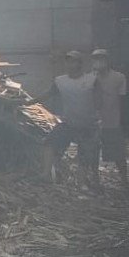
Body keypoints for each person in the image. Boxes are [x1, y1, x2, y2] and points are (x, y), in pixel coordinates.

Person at [47, 51, 98, 187]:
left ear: (80, 64)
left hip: (88, 125)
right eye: (68, 61)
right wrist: (25, 102)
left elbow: (101, 98)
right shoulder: (60, 81)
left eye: (74, 61)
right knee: (50, 144)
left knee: (85, 156)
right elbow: (47, 94)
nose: (70, 64)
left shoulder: (91, 79)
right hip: (68, 123)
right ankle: (49, 174)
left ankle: (83, 182)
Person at [90, 49, 129, 190]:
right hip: (94, 121)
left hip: (113, 120)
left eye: (101, 59)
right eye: (96, 59)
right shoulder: (89, 78)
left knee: (118, 153)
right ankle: (95, 179)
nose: (98, 62)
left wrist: (122, 120)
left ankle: (124, 180)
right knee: (92, 151)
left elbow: (122, 100)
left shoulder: (119, 78)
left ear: (108, 61)